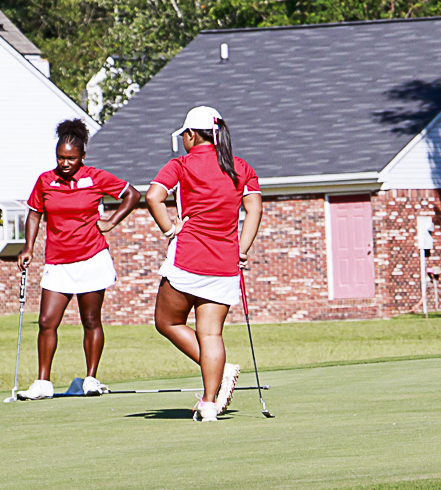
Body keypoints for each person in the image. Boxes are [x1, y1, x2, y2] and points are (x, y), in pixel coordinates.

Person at [145, 106, 262, 421]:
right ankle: (209, 405)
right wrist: (242, 248)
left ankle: (221, 373)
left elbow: (153, 196)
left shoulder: (180, 164)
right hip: (224, 264)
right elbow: (255, 209)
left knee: (167, 322)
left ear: (191, 134)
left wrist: (170, 229)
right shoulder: (240, 167)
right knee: (211, 335)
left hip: (187, 259)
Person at [15, 119, 141, 399]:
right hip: (58, 262)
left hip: (91, 258)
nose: (65, 163)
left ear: (82, 156)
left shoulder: (96, 177)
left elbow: (132, 194)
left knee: (91, 320)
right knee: (47, 321)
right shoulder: (46, 181)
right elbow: (35, 212)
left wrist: (111, 221)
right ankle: (43, 382)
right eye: (60, 157)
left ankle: (91, 379)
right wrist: (28, 248)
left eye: (71, 158)